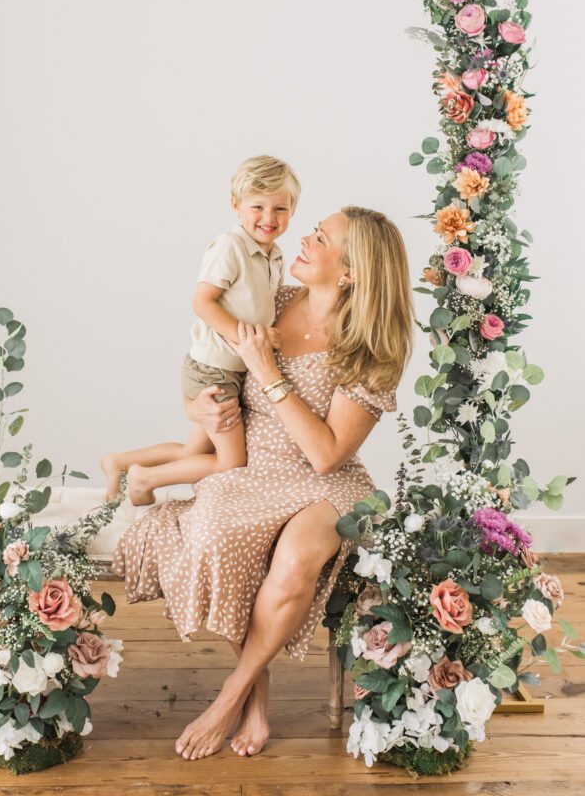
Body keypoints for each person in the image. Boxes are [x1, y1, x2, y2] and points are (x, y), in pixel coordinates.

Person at [109, 206, 414, 760]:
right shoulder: (268, 302)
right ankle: (256, 696)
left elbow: (325, 454)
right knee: (222, 537)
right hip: (250, 467)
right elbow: (209, 373)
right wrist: (199, 407)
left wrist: (269, 372)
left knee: (298, 558)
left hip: (326, 484)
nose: (303, 239)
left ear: (349, 272)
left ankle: (228, 696)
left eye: (320, 238)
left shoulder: (372, 347)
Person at [102, 155, 300, 507]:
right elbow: (203, 303)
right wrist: (248, 338)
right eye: (258, 206)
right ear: (235, 205)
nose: (269, 218)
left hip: (235, 369)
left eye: (280, 209)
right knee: (231, 461)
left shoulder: (275, 255)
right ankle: (143, 477)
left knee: (194, 449)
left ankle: (118, 462)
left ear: (293, 210)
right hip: (213, 368)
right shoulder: (230, 247)